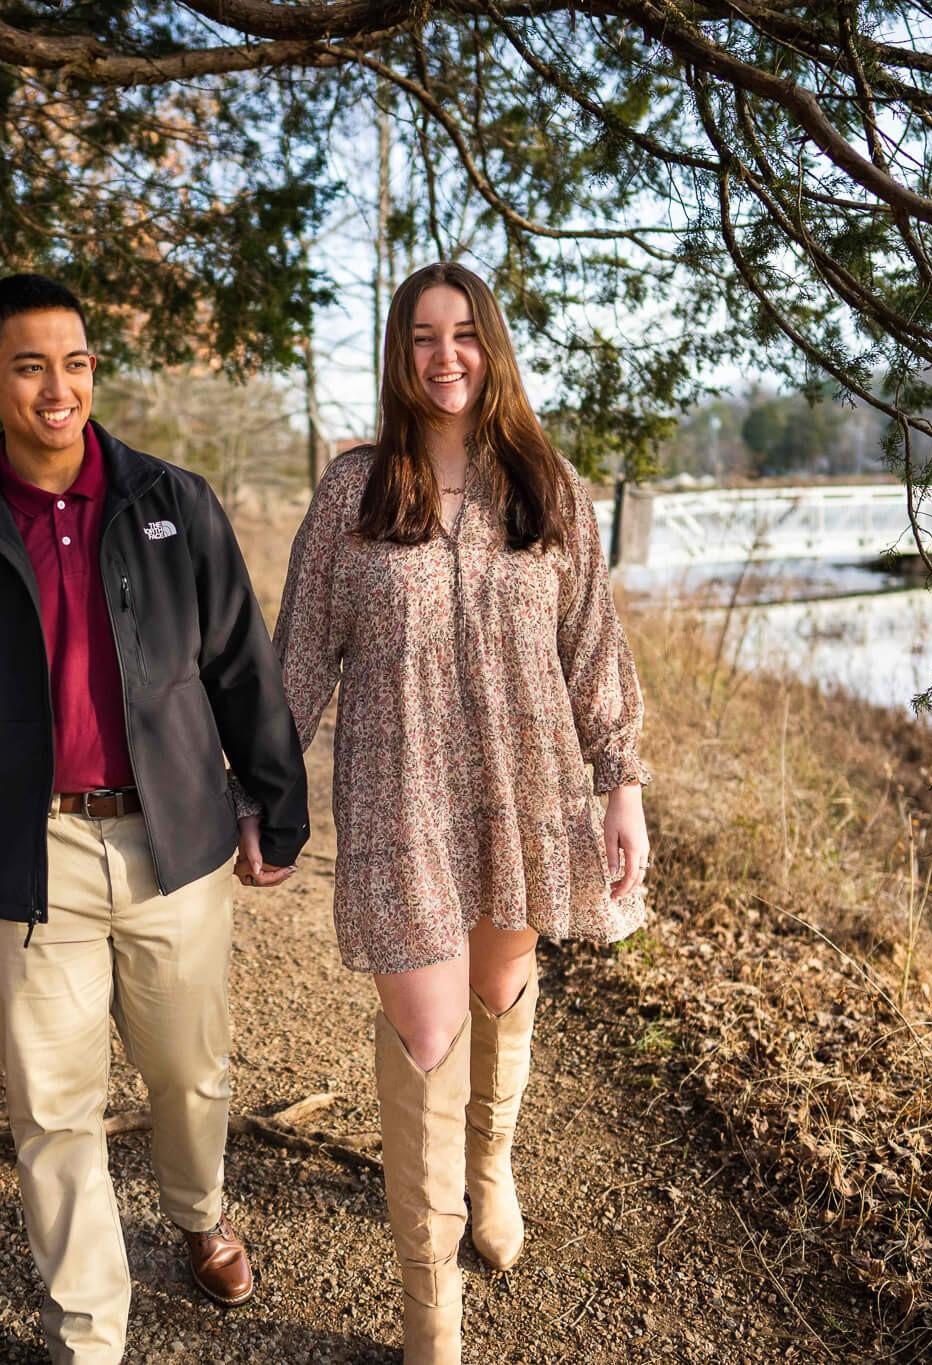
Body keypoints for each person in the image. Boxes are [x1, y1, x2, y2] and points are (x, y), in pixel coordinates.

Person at [0, 273, 310, 1364]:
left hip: (173, 840)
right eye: (29, 366)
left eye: (73, 362)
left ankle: (197, 1212)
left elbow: (239, 663)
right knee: (53, 1107)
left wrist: (273, 796)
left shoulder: (173, 502)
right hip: (31, 858)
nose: (57, 386)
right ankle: (90, 1330)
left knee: (187, 1070)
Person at [268, 262, 650, 1364]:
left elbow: (591, 648)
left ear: (491, 350)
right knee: (427, 1029)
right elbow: (297, 659)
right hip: (398, 802)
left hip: (522, 795)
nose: (445, 356)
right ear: (398, 355)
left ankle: (489, 1163)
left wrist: (618, 782)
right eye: (423, 337)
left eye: (464, 335)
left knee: (496, 990)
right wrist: (262, 792)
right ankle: (428, 1306)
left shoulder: (544, 484)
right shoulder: (353, 491)